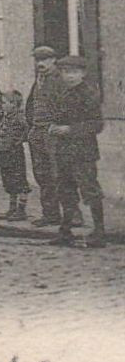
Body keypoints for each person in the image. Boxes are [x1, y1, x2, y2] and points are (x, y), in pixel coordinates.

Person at [47, 56, 106, 249]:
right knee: (65, 190)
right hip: (64, 151)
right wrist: (53, 127)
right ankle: (66, 232)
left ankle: (99, 232)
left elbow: (97, 124)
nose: (69, 76)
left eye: (73, 72)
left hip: (83, 152)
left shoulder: (89, 94)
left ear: (83, 73)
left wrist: (70, 130)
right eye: (65, 72)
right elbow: (58, 116)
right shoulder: (63, 93)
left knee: (90, 190)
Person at [24, 46, 67, 228]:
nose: (40, 63)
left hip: (52, 132)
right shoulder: (39, 80)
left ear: (53, 60)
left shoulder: (60, 80)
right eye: (37, 59)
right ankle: (50, 214)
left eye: (44, 59)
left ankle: (73, 216)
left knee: (60, 174)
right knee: (42, 175)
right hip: (37, 131)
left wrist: (58, 125)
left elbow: (67, 106)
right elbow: (31, 104)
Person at [0, 86, 31, 222]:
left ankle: (21, 210)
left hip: (14, 153)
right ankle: (12, 208)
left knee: (19, 181)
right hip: (5, 153)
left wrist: (18, 141)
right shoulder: (6, 117)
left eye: (5, 103)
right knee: (9, 181)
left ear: (14, 105)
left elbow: (27, 130)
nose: (2, 105)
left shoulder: (19, 117)